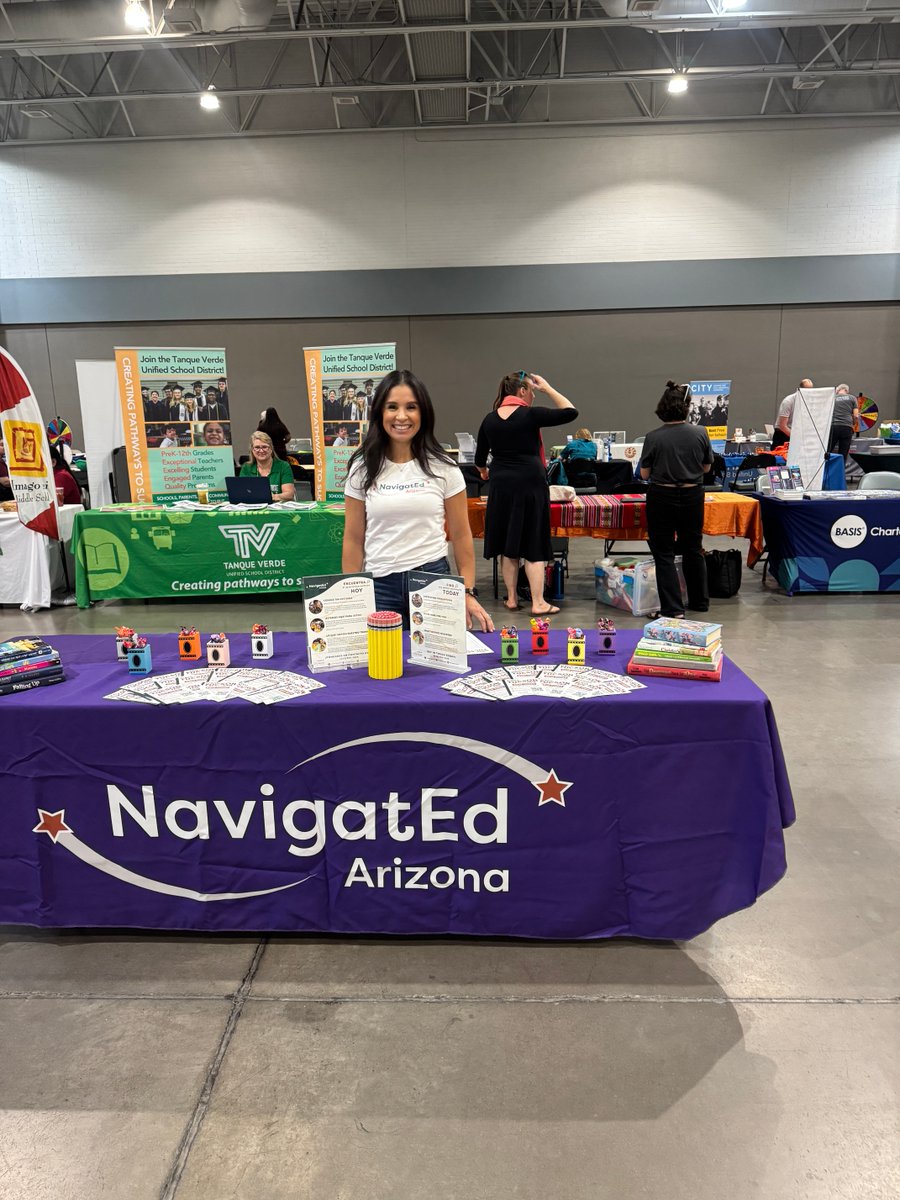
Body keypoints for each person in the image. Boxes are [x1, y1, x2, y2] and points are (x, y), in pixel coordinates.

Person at [342, 368, 493, 632]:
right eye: (392, 407)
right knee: (381, 668)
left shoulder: (444, 467)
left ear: (423, 412)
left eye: (411, 407)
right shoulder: (361, 468)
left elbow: (461, 535)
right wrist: (352, 596)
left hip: (432, 581)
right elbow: (353, 538)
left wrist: (467, 591)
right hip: (380, 588)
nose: (401, 416)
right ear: (379, 412)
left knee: (438, 669)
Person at [474, 371, 577, 615]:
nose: (532, 395)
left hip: (501, 484)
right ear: (521, 391)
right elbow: (570, 411)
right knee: (533, 542)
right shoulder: (531, 414)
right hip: (530, 482)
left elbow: (480, 460)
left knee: (508, 543)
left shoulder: (489, 420)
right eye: (530, 390)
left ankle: (511, 598)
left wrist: (485, 474)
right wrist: (547, 388)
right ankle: (538, 602)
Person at [639, 381, 712, 618]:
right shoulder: (701, 433)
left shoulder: (652, 437)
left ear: (662, 407)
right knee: (693, 548)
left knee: (664, 553)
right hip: (693, 494)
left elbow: (644, 474)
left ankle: (672, 608)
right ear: (687, 407)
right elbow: (707, 467)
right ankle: (700, 601)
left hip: (662, 495)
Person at [240, 431, 295, 501]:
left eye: (265, 447)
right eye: (257, 447)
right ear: (252, 450)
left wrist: (271, 497)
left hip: (277, 509)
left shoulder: (283, 466)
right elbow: (243, 493)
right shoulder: (246, 468)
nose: (261, 450)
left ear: (271, 449)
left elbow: (289, 494)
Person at [773, 378, 813, 449]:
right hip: (782, 435)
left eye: (810, 390)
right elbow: (782, 426)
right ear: (800, 389)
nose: (809, 393)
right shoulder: (788, 401)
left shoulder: (808, 402)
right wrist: (796, 437)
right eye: (806, 390)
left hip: (795, 434)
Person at [829, 384, 858, 461]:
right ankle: (840, 471)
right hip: (847, 427)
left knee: (827, 451)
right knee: (843, 453)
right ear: (847, 391)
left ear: (837, 390)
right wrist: (853, 424)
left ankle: (824, 470)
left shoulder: (832, 398)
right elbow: (856, 416)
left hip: (833, 427)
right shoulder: (852, 398)